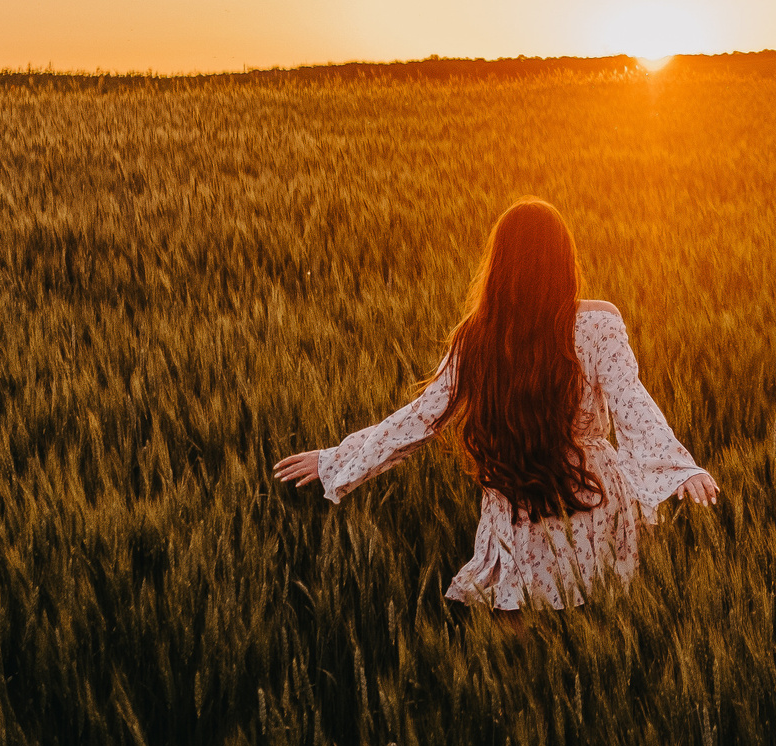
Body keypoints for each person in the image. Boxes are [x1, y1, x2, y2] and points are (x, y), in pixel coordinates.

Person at [272, 197, 719, 613]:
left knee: (517, 628)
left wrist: (336, 460)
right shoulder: (599, 322)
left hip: (520, 496)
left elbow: (421, 419)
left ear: (500, 263)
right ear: (565, 260)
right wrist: (680, 468)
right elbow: (633, 405)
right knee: (592, 620)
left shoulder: (478, 336)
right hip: (591, 493)